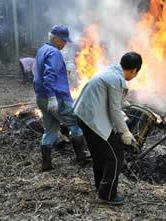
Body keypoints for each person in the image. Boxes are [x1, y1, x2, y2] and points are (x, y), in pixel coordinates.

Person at [73, 52, 142, 205]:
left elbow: (110, 100)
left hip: (84, 115)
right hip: (92, 119)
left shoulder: (111, 71)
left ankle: (101, 187)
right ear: (134, 70)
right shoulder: (116, 79)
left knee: (99, 154)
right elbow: (114, 110)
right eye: (136, 73)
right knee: (116, 157)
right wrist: (125, 132)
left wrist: (123, 106)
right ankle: (108, 194)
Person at [33, 24, 90, 171]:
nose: (65, 43)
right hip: (57, 98)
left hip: (41, 97)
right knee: (76, 124)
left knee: (50, 129)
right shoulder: (54, 53)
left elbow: (39, 72)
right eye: (63, 40)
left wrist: (65, 69)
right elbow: (49, 75)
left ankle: (46, 165)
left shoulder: (42, 50)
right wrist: (52, 97)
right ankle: (81, 159)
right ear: (55, 38)